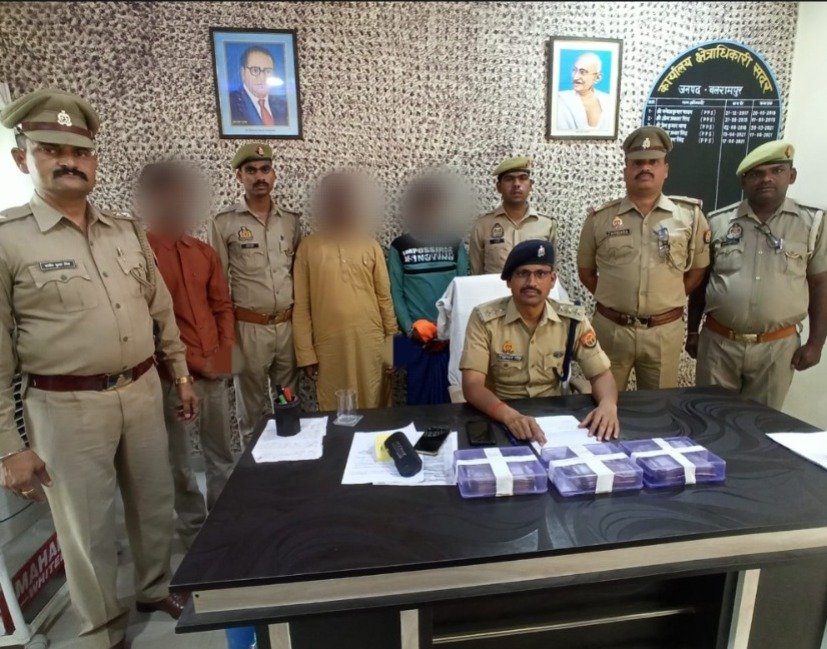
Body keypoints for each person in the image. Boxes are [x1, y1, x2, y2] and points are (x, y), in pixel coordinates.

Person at [0, 89, 196, 649]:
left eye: (81, 152)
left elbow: (160, 309)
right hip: (66, 405)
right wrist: (9, 447)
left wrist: (180, 374)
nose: (70, 161)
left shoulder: (125, 230)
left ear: (94, 160)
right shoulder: (8, 240)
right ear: (22, 157)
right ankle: (103, 629)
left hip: (141, 389)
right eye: (52, 150)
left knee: (154, 502)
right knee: (85, 524)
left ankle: (154, 587)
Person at [138, 161, 236, 550]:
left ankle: (225, 523)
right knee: (179, 463)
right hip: (170, 379)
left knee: (221, 453)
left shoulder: (204, 253)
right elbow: (145, 323)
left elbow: (222, 307)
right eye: (166, 193)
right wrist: (189, 368)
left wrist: (223, 361)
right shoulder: (140, 254)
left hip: (213, 371)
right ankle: (195, 533)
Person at [687, 141, 827, 409]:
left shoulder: (812, 224)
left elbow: (820, 285)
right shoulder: (718, 222)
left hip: (777, 349)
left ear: (791, 176)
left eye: (776, 170)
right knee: (710, 416)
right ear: (744, 182)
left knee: (762, 424)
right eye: (756, 174)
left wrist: (816, 343)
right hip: (719, 345)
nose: (766, 179)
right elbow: (702, 283)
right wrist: (692, 331)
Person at [577, 126, 710, 391]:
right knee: (604, 403)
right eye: (637, 163)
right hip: (611, 329)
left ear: (666, 169)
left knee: (659, 406)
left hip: (664, 331)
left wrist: (666, 299)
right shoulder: (599, 218)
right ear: (626, 169)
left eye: (653, 161)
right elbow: (586, 272)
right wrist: (615, 301)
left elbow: (698, 270)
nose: (645, 168)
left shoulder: (690, 216)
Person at [461, 240, 619, 442]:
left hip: (554, 419)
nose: (532, 282)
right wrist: (509, 416)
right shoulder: (484, 320)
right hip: (499, 415)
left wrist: (608, 405)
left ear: (552, 280)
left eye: (541, 274)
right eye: (522, 273)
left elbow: (601, 375)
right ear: (509, 280)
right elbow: (472, 386)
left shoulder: (572, 320)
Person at [211, 143, 301, 445]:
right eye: (251, 170)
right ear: (239, 176)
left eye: (265, 169)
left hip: (286, 328)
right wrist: (225, 339)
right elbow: (217, 285)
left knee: (289, 401)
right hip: (248, 329)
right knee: (250, 406)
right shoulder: (224, 223)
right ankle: (252, 463)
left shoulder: (290, 221)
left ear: (274, 174)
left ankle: (290, 457)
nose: (259, 176)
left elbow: (296, 273)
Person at [293, 171, 398, 410]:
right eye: (332, 198)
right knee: (336, 410)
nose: (339, 204)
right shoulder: (308, 248)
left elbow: (384, 298)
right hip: (329, 348)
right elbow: (301, 306)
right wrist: (306, 354)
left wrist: (393, 348)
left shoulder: (370, 245)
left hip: (370, 344)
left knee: (375, 404)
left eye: (344, 198)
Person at [389, 173, 470, 404]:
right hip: (417, 339)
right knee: (418, 402)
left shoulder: (455, 243)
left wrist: (451, 330)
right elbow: (395, 292)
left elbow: (463, 289)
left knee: (454, 400)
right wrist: (410, 329)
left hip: (451, 340)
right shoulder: (400, 246)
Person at [469, 156, 557, 275]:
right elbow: (476, 274)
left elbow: (550, 270)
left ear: (531, 185)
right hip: (496, 288)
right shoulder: (482, 226)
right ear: (498, 187)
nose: (516, 184)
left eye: (523, 178)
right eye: (509, 179)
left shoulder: (547, 225)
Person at [229, 45, 289, 126]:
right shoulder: (230, 104)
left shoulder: (285, 105)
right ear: (243, 73)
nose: (262, 77)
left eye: (268, 71)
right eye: (255, 70)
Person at [556, 52, 614, 131]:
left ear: (597, 78)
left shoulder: (608, 101)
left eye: (582, 72)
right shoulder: (560, 100)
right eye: (574, 70)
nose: (575, 77)